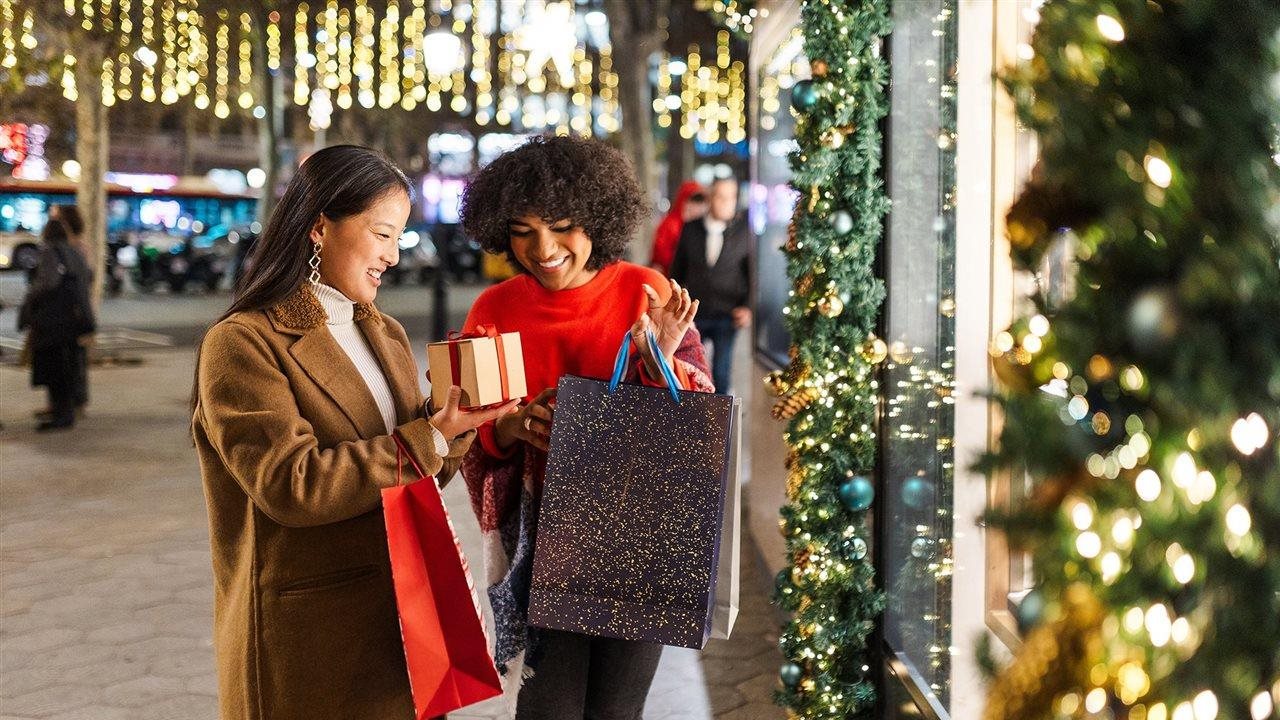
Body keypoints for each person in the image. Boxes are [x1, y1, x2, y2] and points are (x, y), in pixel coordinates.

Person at [191, 145, 517, 719]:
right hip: (313, 634)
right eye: (383, 235)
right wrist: (428, 439)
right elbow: (292, 484)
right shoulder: (242, 343)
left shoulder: (381, 330)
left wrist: (455, 419)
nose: (393, 256)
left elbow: (415, 472)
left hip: (407, 616)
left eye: (398, 239)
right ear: (320, 228)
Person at [457, 135, 714, 720]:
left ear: (598, 217)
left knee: (618, 709)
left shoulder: (644, 290)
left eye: (562, 225)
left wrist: (664, 353)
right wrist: (513, 426)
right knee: (547, 707)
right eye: (521, 230)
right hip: (543, 541)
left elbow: (695, 412)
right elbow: (468, 436)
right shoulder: (493, 311)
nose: (542, 248)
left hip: (642, 533)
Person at [669, 176, 753, 394]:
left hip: (728, 312)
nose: (726, 202)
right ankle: (692, 417)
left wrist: (748, 306)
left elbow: (752, 273)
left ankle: (719, 423)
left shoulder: (744, 231)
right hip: (695, 312)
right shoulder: (691, 228)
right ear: (710, 198)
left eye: (731, 197)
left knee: (722, 371)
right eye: (720, 196)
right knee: (689, 368)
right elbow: (677, 270)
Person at [17, 217, 95, 431]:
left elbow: (47, 283)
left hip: (54, 322)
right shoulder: (74, 252)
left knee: (55, 368)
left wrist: (31, 300)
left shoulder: (51, 251)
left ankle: (61, 414)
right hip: (74, 319)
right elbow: (88, 276)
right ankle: (66, 410)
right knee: (68, 366)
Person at [47, 204, 91, 415]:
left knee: (74, 357)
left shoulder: (75, 247)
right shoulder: (64, 245)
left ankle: (76, 402)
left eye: (56, 217)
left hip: (73, 310)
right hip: (68, 310)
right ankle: (64, 403)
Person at [649, 180, 706, 276]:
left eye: (701, 202)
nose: (698, 206)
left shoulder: (700, 226)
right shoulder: (670, 224)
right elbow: (660, 256)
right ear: (684, 200)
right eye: (694, 200)